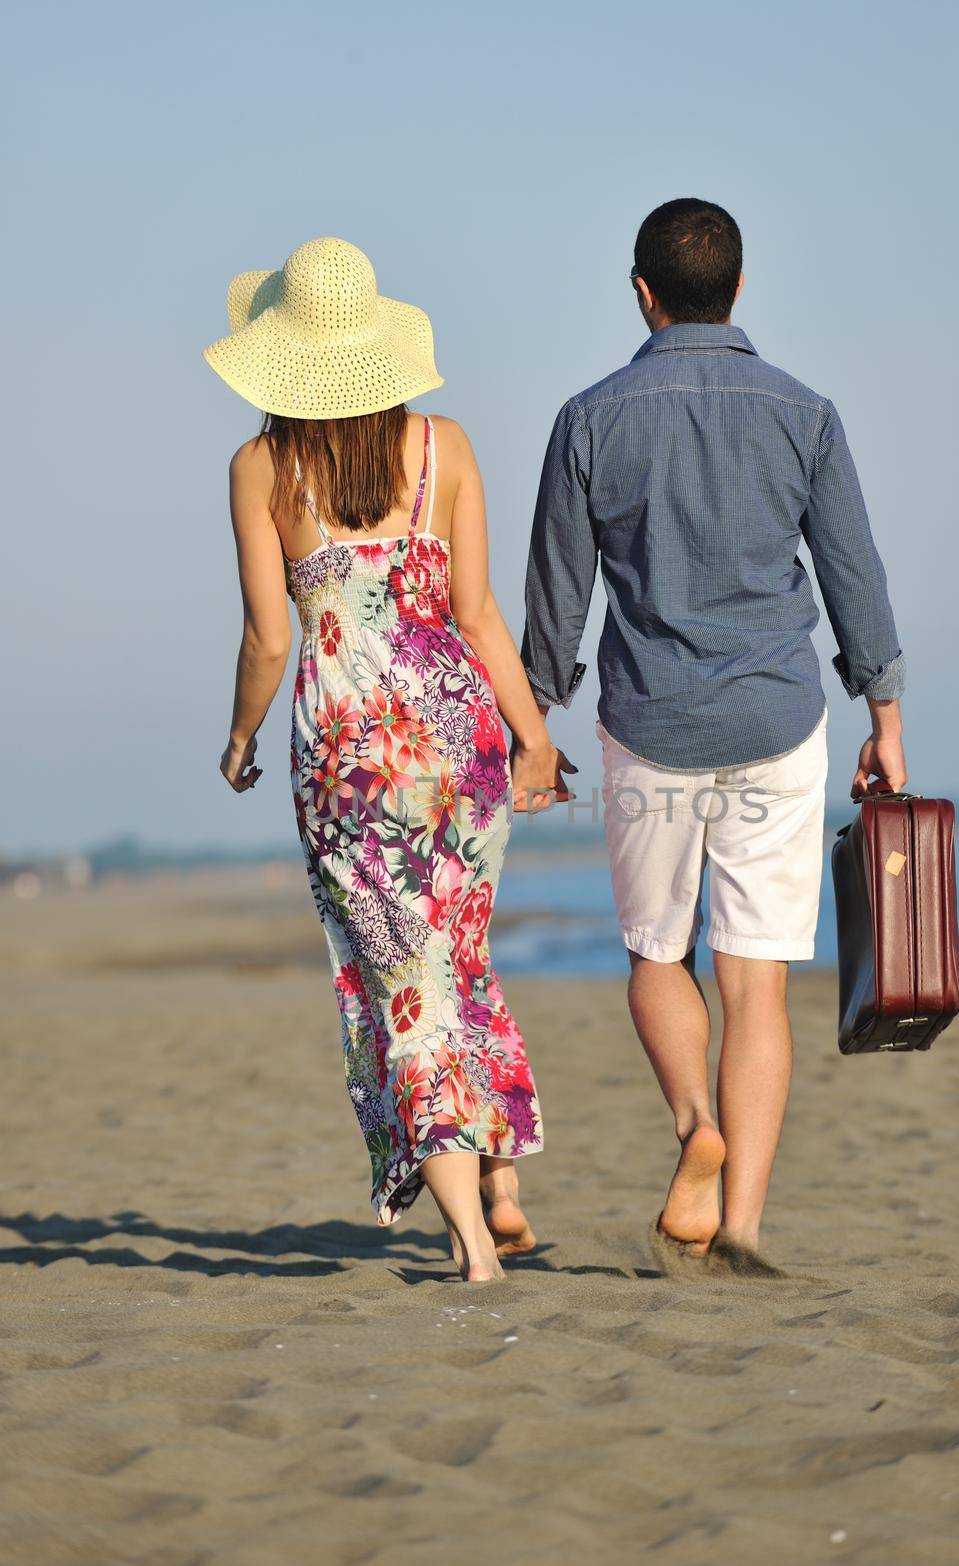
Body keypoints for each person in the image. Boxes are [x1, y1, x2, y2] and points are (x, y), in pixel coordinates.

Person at [522, 199, 906, 1269]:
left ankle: (696, 1122)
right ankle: (738, 1222)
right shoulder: (803, 412)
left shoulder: (588, 417)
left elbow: (556, 601)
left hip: (647, 724)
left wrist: (534, 723)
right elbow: (850, 576)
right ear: (736, 290)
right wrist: (883, 714)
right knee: (755, 981)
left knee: (656, 951)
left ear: (641, 293)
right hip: (778, 723)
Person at [204, 237, 572, 1282]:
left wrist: (237, 737)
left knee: (401, 983)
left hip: (349, 762)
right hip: (460, 749)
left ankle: (470, 1245)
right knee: (449, 962)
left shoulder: (262, 468)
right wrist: (533, 736)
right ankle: (498, 1186)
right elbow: (478, 614)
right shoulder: (442, 447)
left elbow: (268, 639)